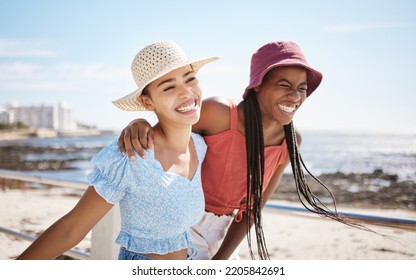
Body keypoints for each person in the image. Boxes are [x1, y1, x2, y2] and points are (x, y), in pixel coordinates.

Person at [117, 41, 368, 260]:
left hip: (227, 234)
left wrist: (221, 259)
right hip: (185, 224)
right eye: (283, 84)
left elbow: (253, 208)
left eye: (302, 88)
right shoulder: (220, 114)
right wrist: (138, 123)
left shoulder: (290, 141)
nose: (295, 96)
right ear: (257, 85)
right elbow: (170, 125)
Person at [16, 40, 219, 260]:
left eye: (190, 79)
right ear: (147, 102)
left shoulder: (200, 145)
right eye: (169, 86)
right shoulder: (132, 155)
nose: (186, 92)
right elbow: (70, 230)